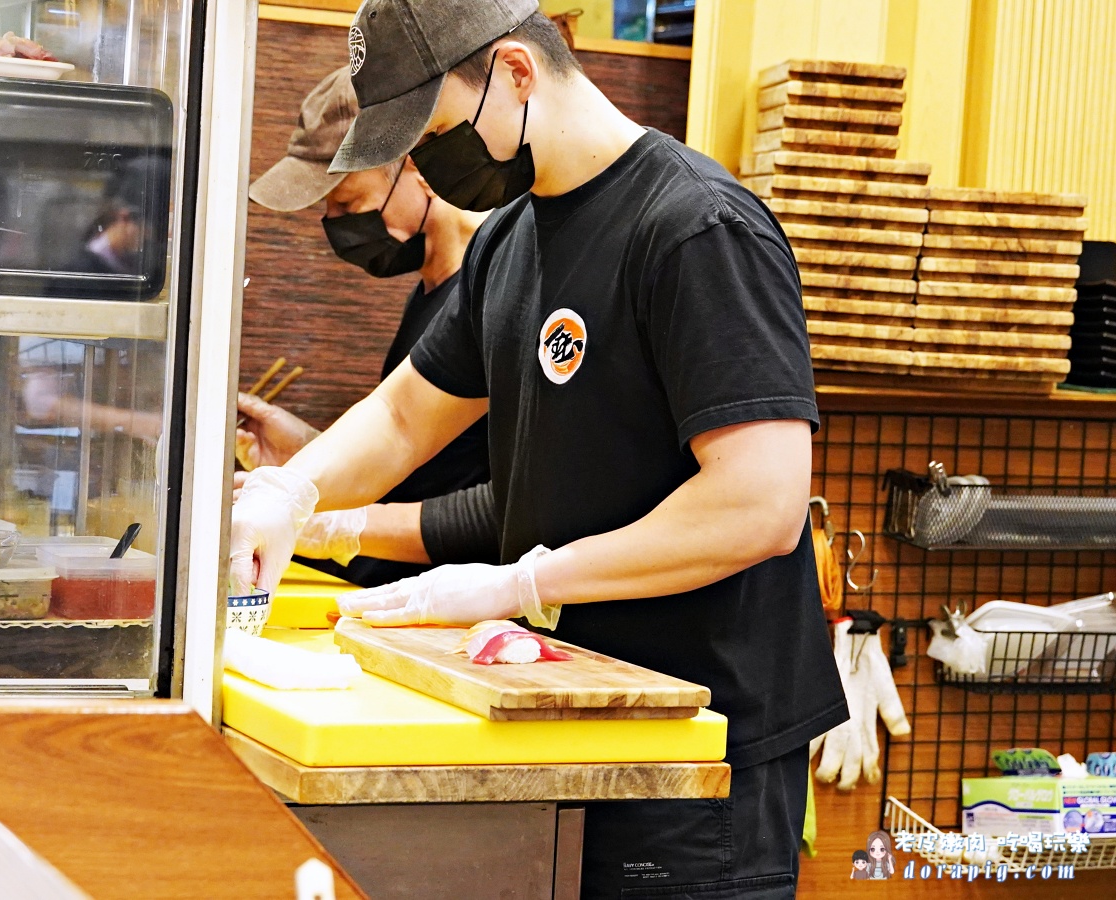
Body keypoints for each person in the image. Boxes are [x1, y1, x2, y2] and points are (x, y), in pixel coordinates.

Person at [229, 3, 847, 897]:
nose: (437, 162)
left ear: (517, 71)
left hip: (695, 752)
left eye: (437, 130)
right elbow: (407, 416)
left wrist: (525, 581)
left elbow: (760, 504)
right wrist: (289, 494)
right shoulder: (513, 242)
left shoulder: (696, 227)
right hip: (568, 719)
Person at [241, 66, 493, 587]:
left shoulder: (493, 289)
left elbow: (504, 511)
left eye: (348, 202)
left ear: (421, 166)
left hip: (456, 609)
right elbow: (420, 455)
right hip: (378, 595)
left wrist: (336, 524)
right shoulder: (428, 290)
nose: (335, 224)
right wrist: (307, 460)